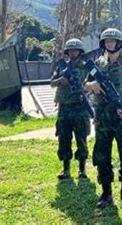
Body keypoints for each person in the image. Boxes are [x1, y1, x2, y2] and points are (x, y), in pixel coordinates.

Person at [83, 28, 122, 209]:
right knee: (102, 155)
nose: (109, 44)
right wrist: (91, 84)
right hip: (102, 118)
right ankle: (106, 192)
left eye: (112, 41)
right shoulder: (97, 64)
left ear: (119, 43)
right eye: (106, 41)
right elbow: (84, 85)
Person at [51, 38, 91, 180]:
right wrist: (61, 80)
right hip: (64, 108)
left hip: (80, 107)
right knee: (64, 138)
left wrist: (85, 93)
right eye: (70, 50)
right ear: (67, 52)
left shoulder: (86, 67)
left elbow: (91, 84)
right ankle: (66, 169)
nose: (73, 53)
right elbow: (52, 83)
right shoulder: (61, 66)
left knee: (81, 139)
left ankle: (82, 170)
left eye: (76, 50)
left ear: (80, 52)